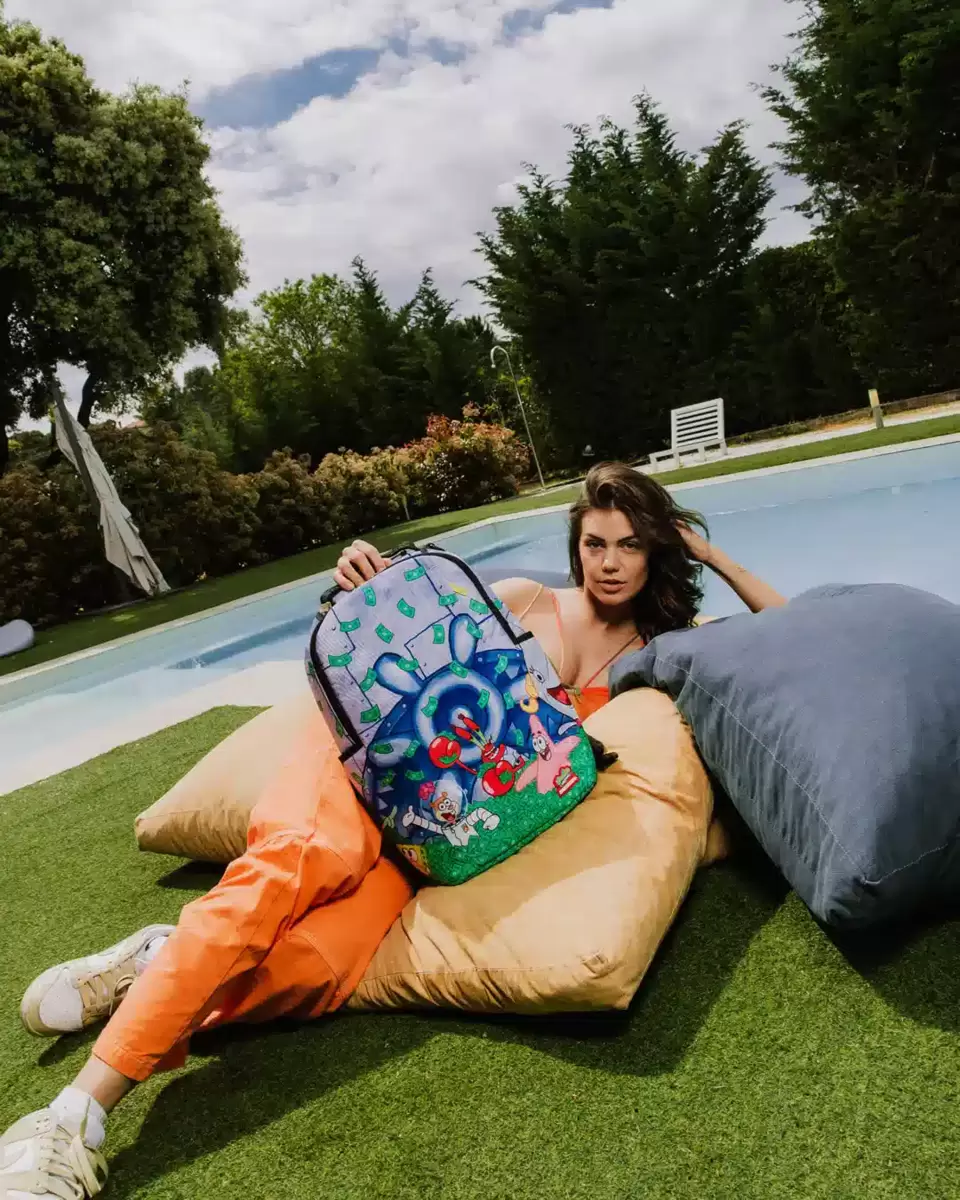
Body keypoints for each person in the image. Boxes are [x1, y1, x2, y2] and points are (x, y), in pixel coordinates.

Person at [0, 462, 784, 1199]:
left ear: (657, 550)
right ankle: (73, 1118)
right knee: (309, 859)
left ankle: (159, 961)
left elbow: (784, 629)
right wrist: (361, 584)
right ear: (574, 544)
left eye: (631, 545)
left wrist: (707, 553)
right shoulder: (520, 599)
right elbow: (382, 655)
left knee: (316, 967)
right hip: (363, 771)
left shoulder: (660, 649)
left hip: (440, 833)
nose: (609, 564)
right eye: (594, 543)